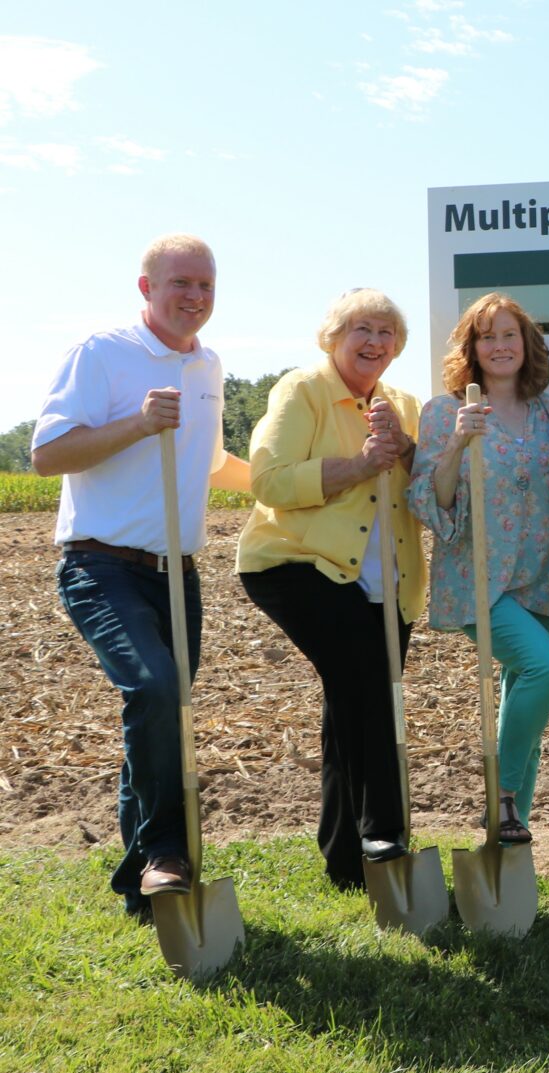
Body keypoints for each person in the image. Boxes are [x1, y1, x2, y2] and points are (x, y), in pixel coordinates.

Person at [32, 234, 251, 919]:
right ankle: (166, 851)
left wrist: (289, 484)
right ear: (146, 287)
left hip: (177, 572)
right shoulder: (102, 353)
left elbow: (213, 463)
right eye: (181, 283)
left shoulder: (210, 365)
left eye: (206, 286)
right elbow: (46, 454)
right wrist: (137, 423)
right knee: (155, 689)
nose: (194, 297)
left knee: (162, 713)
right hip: (102, 564)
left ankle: (143, 887)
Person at [237, 288, 424, 891]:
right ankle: (386, 832)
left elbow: (428, 489)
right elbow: (269, 480)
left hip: (386, 583)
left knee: (352, 698)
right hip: (297, 565)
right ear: (333, 337)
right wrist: (360, 465)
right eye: (361, 330)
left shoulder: (403, 403)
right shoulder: (303, 390)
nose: (375, 343)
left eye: (386, 333)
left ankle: (345, 861)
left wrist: (408, 449)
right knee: (369, 684)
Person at [408, 292, 549, 846]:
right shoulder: (445, 412)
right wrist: (460, 441)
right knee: (547, 668)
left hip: (542, 575)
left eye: (510, 335)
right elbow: (429, 500)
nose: (500, 346)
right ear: (472, 347)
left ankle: (510, 838)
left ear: (526, 345)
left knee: (522, 706)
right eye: (488, 336)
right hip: (478, 580)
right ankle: (503, 796)